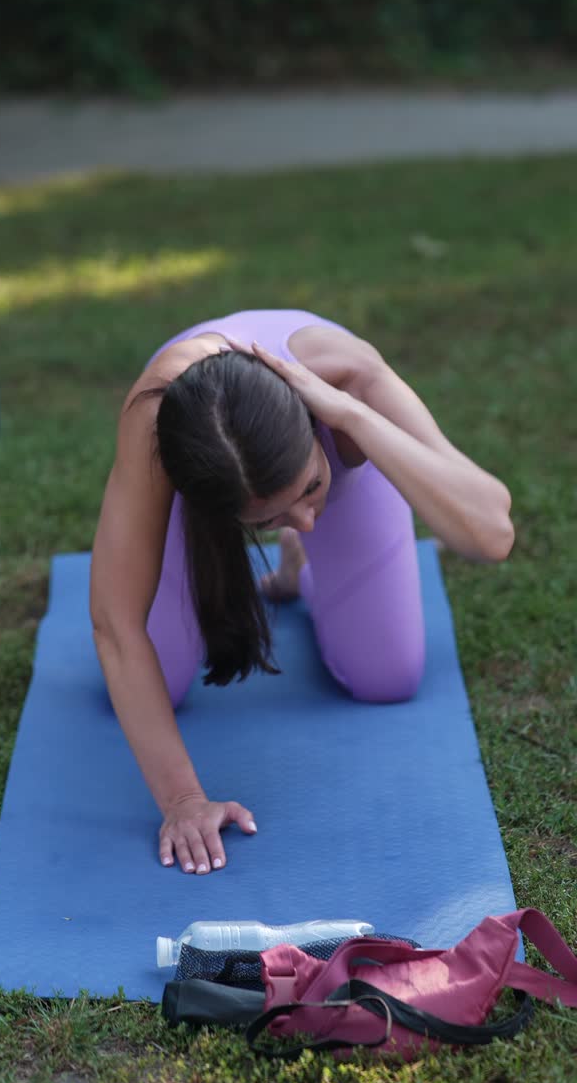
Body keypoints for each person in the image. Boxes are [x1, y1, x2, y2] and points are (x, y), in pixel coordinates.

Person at [90, 309, 514, 878]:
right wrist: (183, 800)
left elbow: (492, 534)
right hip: (207, 453)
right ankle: (282, 515)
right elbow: (116, 625)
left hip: (340, 435)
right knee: (155, 681)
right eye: (270, 520)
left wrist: (352, 414)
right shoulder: (158, 415)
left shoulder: (348, 373)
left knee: (387, 678)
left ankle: (300, 558)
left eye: (310, 488)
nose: (306, 520)